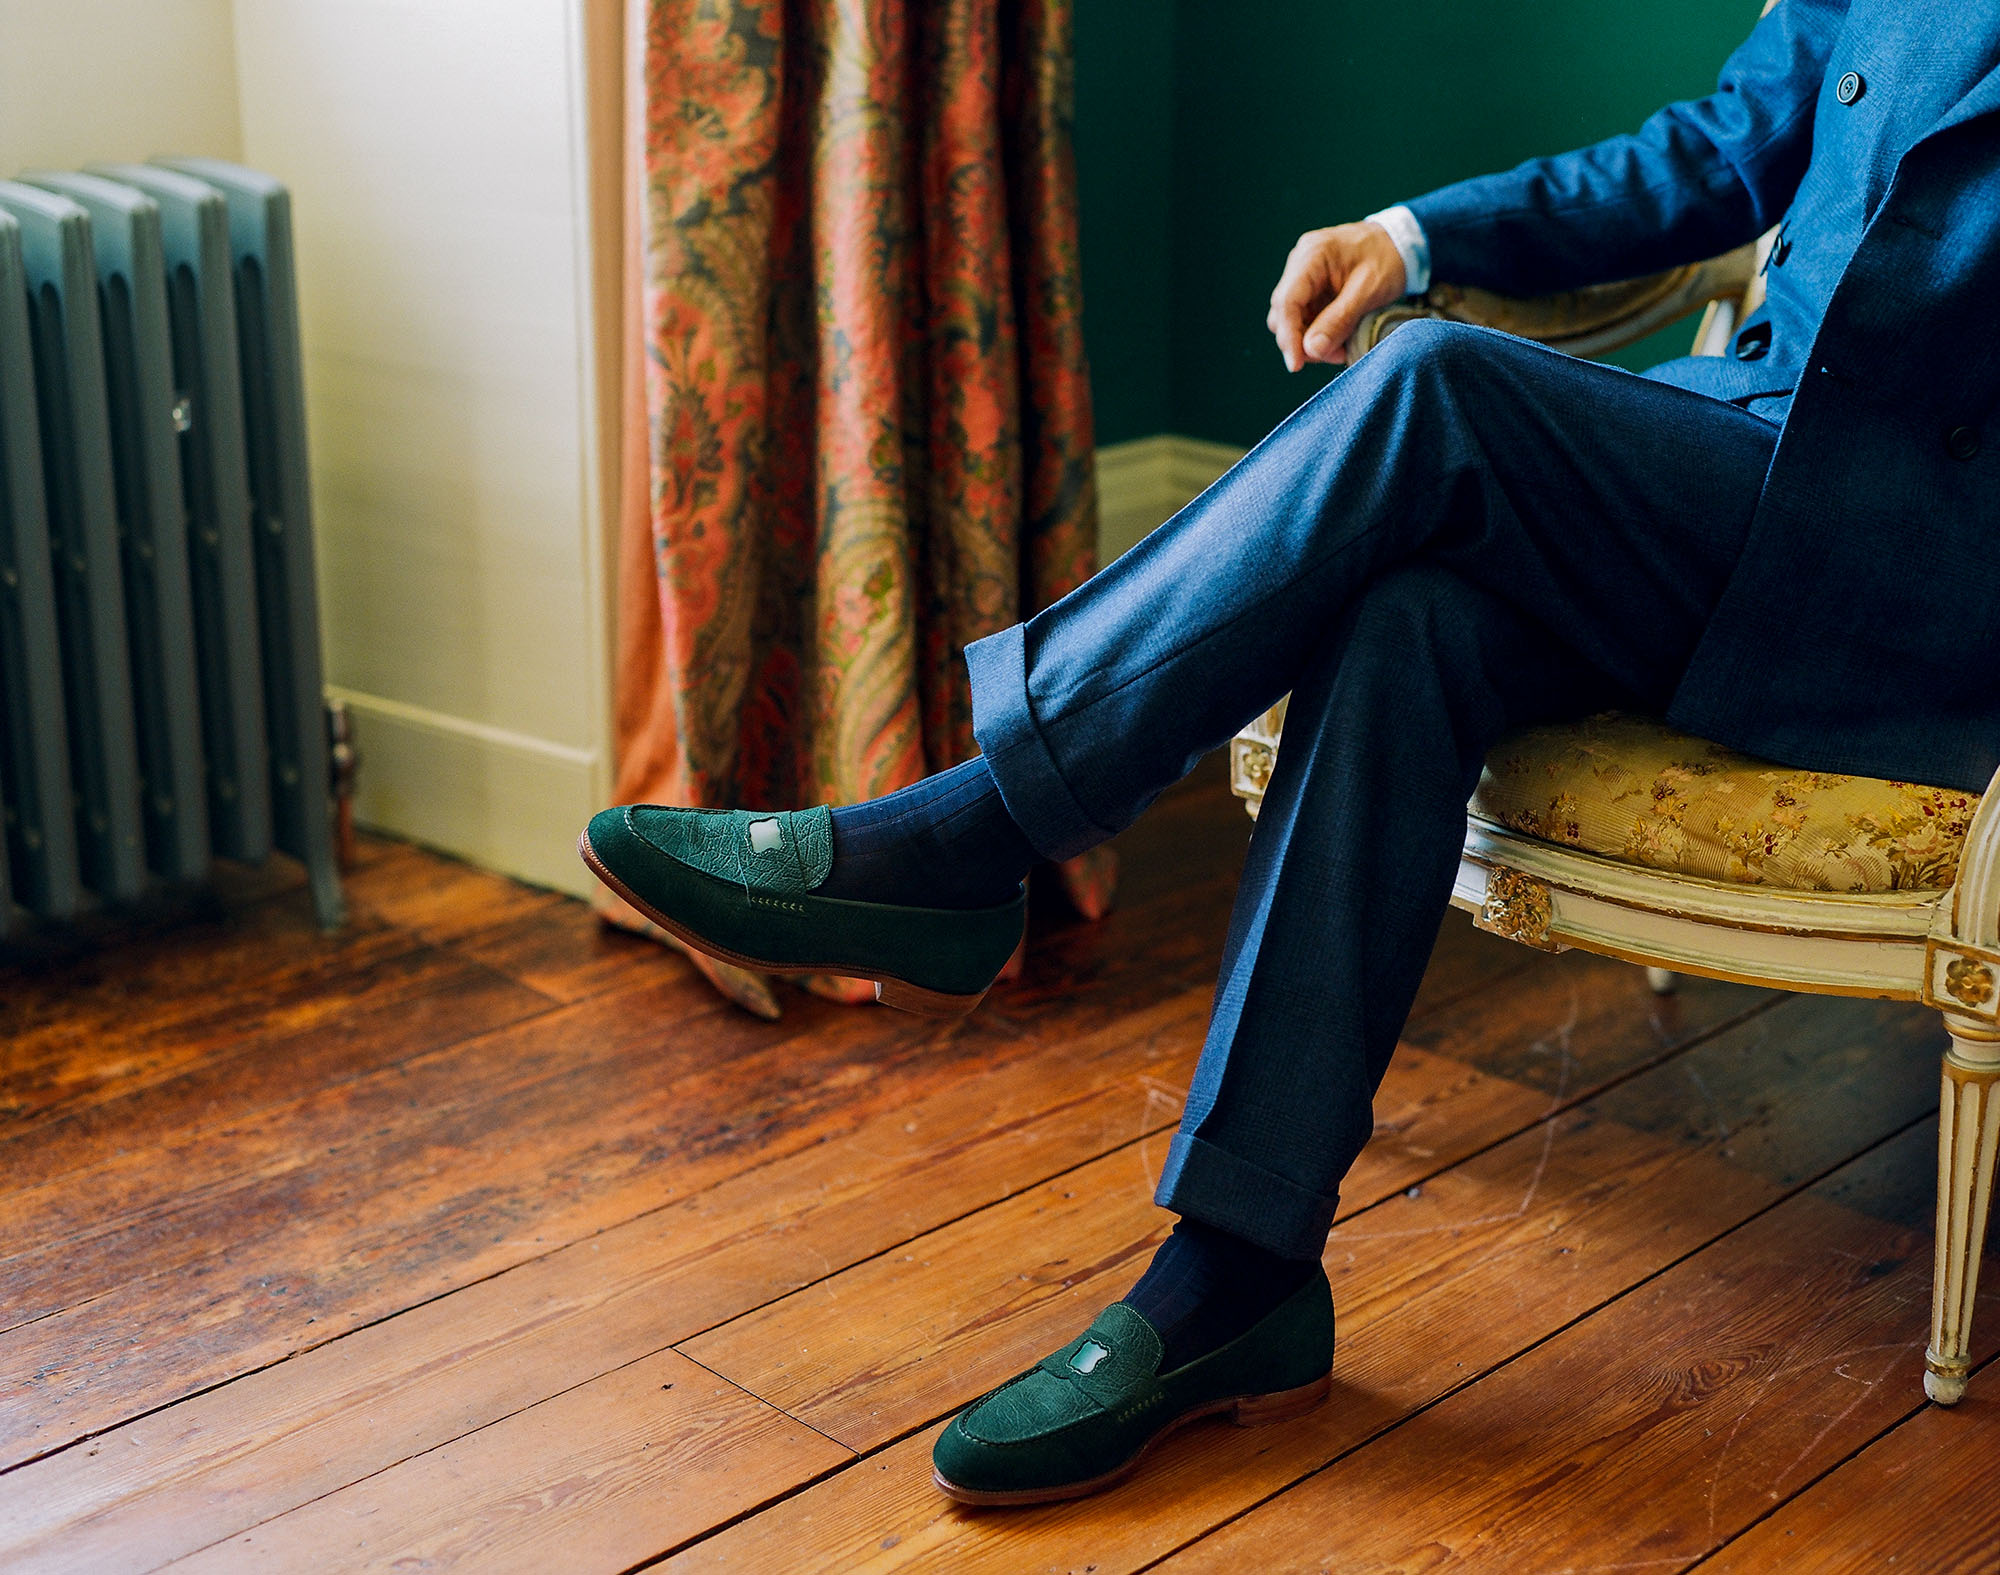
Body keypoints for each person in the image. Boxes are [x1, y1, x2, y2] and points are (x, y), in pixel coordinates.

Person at [582, 0, 2000, 1506]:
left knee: (1434, 384)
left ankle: (970, 833)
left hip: (1919, 581)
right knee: (1413, 619)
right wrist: (1413, 235)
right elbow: (1713, 154)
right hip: (1740, 473)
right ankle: (1238, 1278)